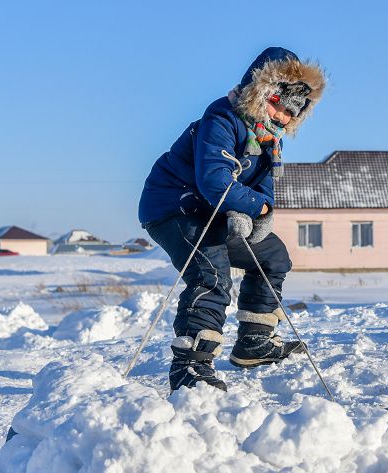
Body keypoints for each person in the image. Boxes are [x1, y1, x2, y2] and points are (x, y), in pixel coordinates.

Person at [138, 47, 326, 392]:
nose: (281, 115)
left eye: (289, 112)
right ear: (259, 90)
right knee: (212, 272)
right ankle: (190, 365)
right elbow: (215, 180)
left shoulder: (268, 137)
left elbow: (263, 185)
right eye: (276, 104)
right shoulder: (222, 118)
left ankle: (254, 342)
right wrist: (253, 207)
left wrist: (262, 211)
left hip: (213, 211)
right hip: (173, 208)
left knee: (272, 257)